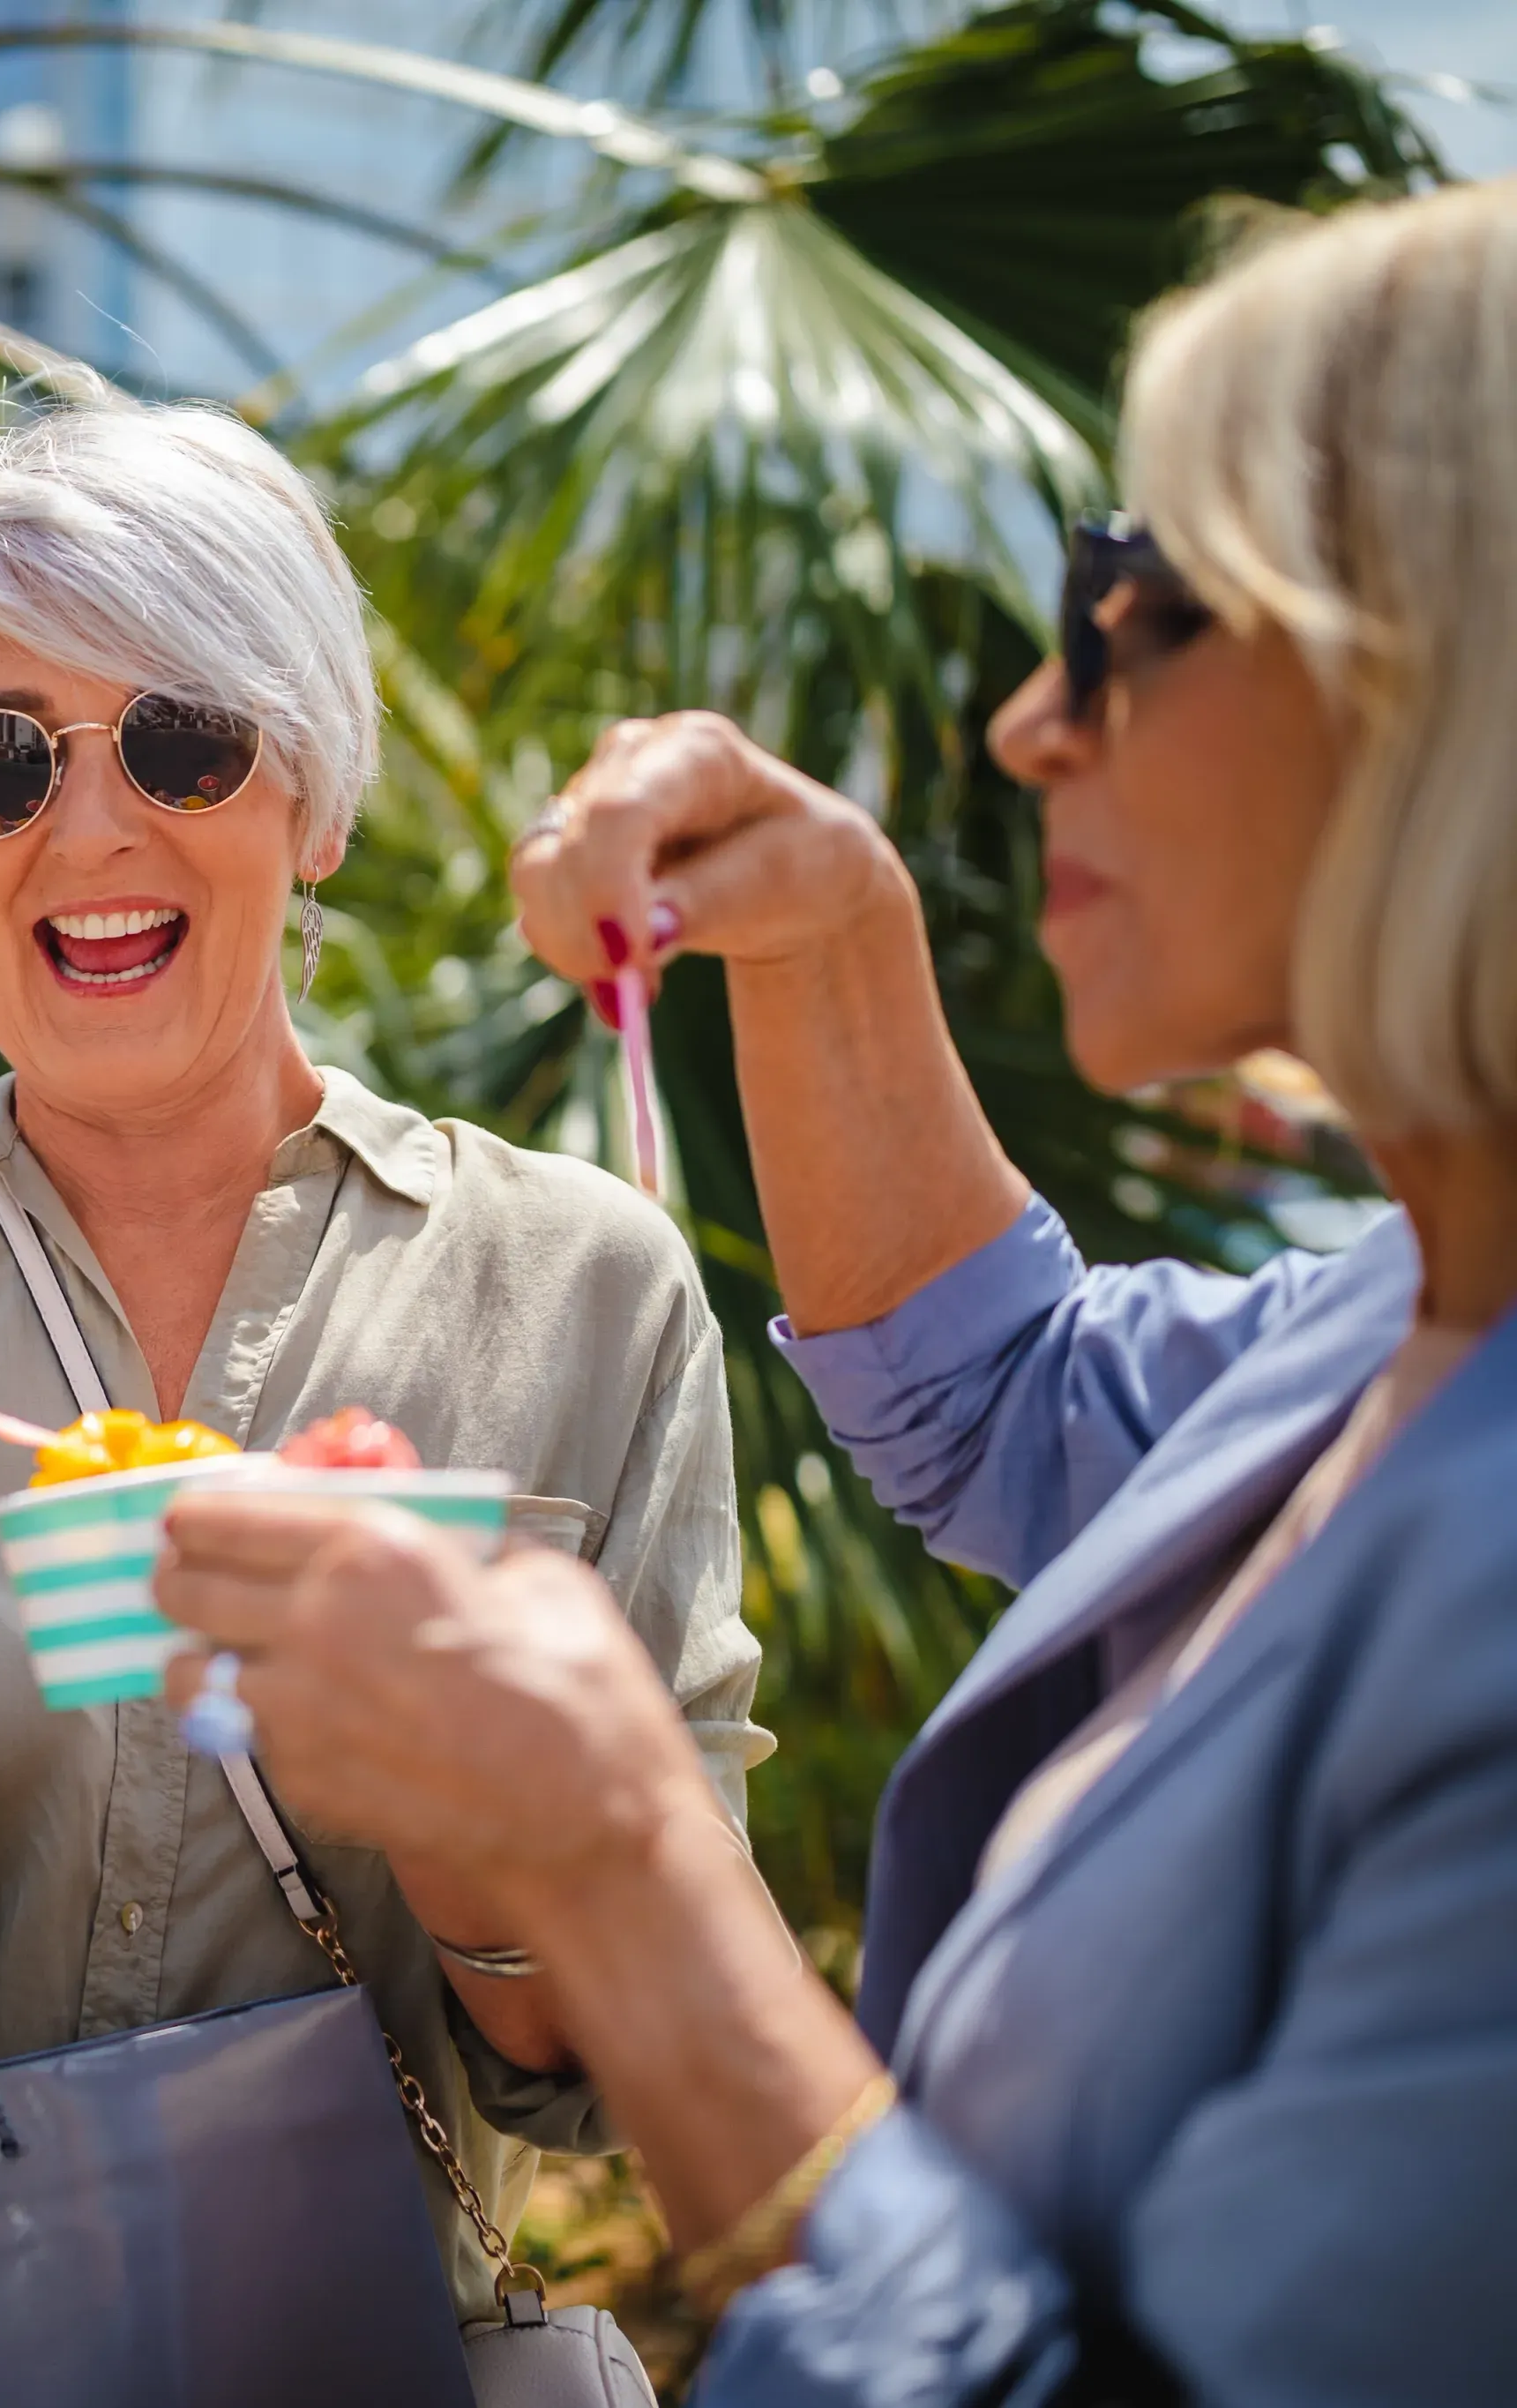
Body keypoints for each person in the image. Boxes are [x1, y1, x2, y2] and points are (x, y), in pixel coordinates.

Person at [154, 180, 1517, 2403]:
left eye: (1122, 608)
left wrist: (612, 1864)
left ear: (1434, 671)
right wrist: (824, 945)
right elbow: (1005, 1406)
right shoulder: (1402, 1316)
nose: (1023, 726)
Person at [0, 400, 769, 2318]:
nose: (93, 828)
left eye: (186, 740)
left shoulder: (581, 1290)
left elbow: (638, 2059)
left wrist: (458, 1801)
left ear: (316, 795)